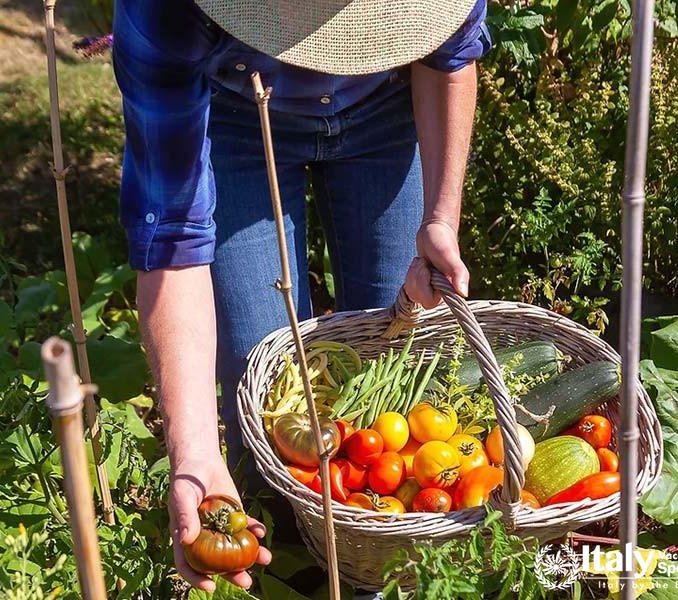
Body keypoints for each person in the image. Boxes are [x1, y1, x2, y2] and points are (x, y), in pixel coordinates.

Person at [112, 0, 492, 592]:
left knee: (398, 357)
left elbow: (449, 57)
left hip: (388, 103)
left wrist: (440, 219)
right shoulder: (164, 12)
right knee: (257, 386)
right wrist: (193, 450)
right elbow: (173, 239)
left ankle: (379, 574)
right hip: (235, 115)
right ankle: (299, 567)